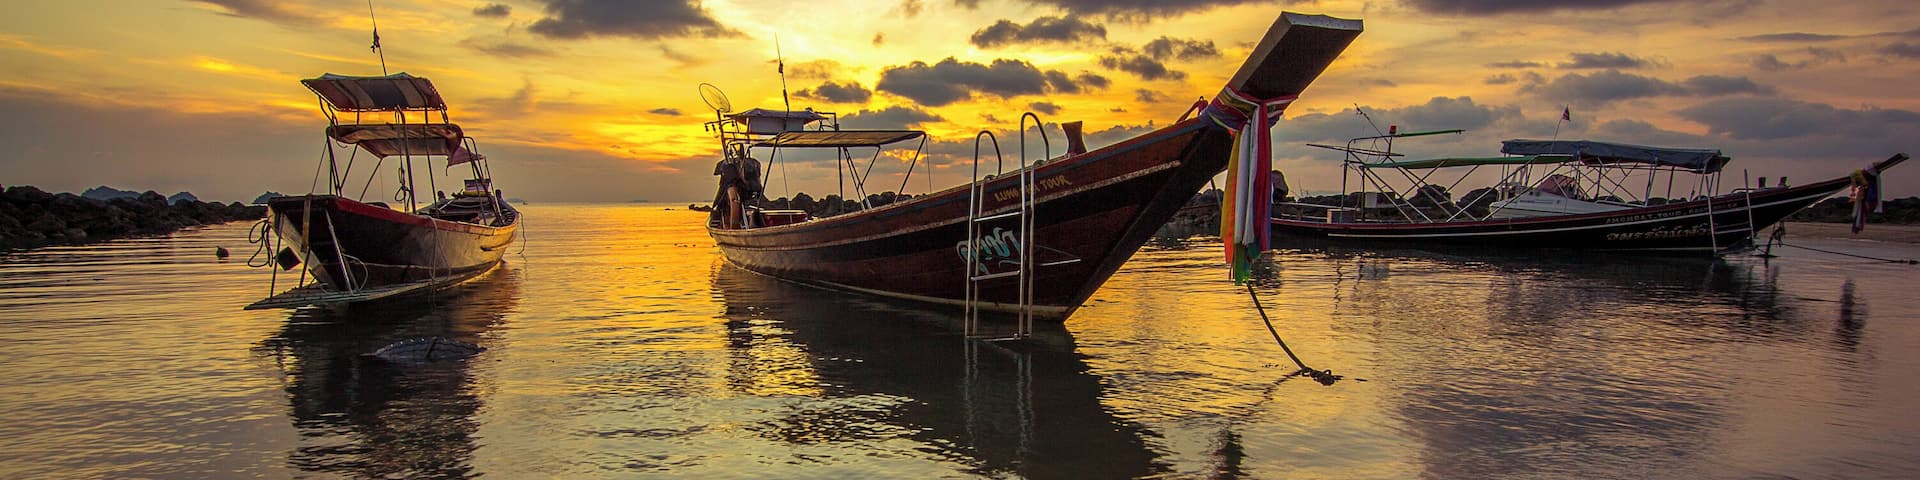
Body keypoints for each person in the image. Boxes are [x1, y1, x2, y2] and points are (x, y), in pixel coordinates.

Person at [712, 148, 763, 229]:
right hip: (742, 196)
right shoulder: (732, 186)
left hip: (744, 195)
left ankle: (735, 226)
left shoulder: (744, 184)